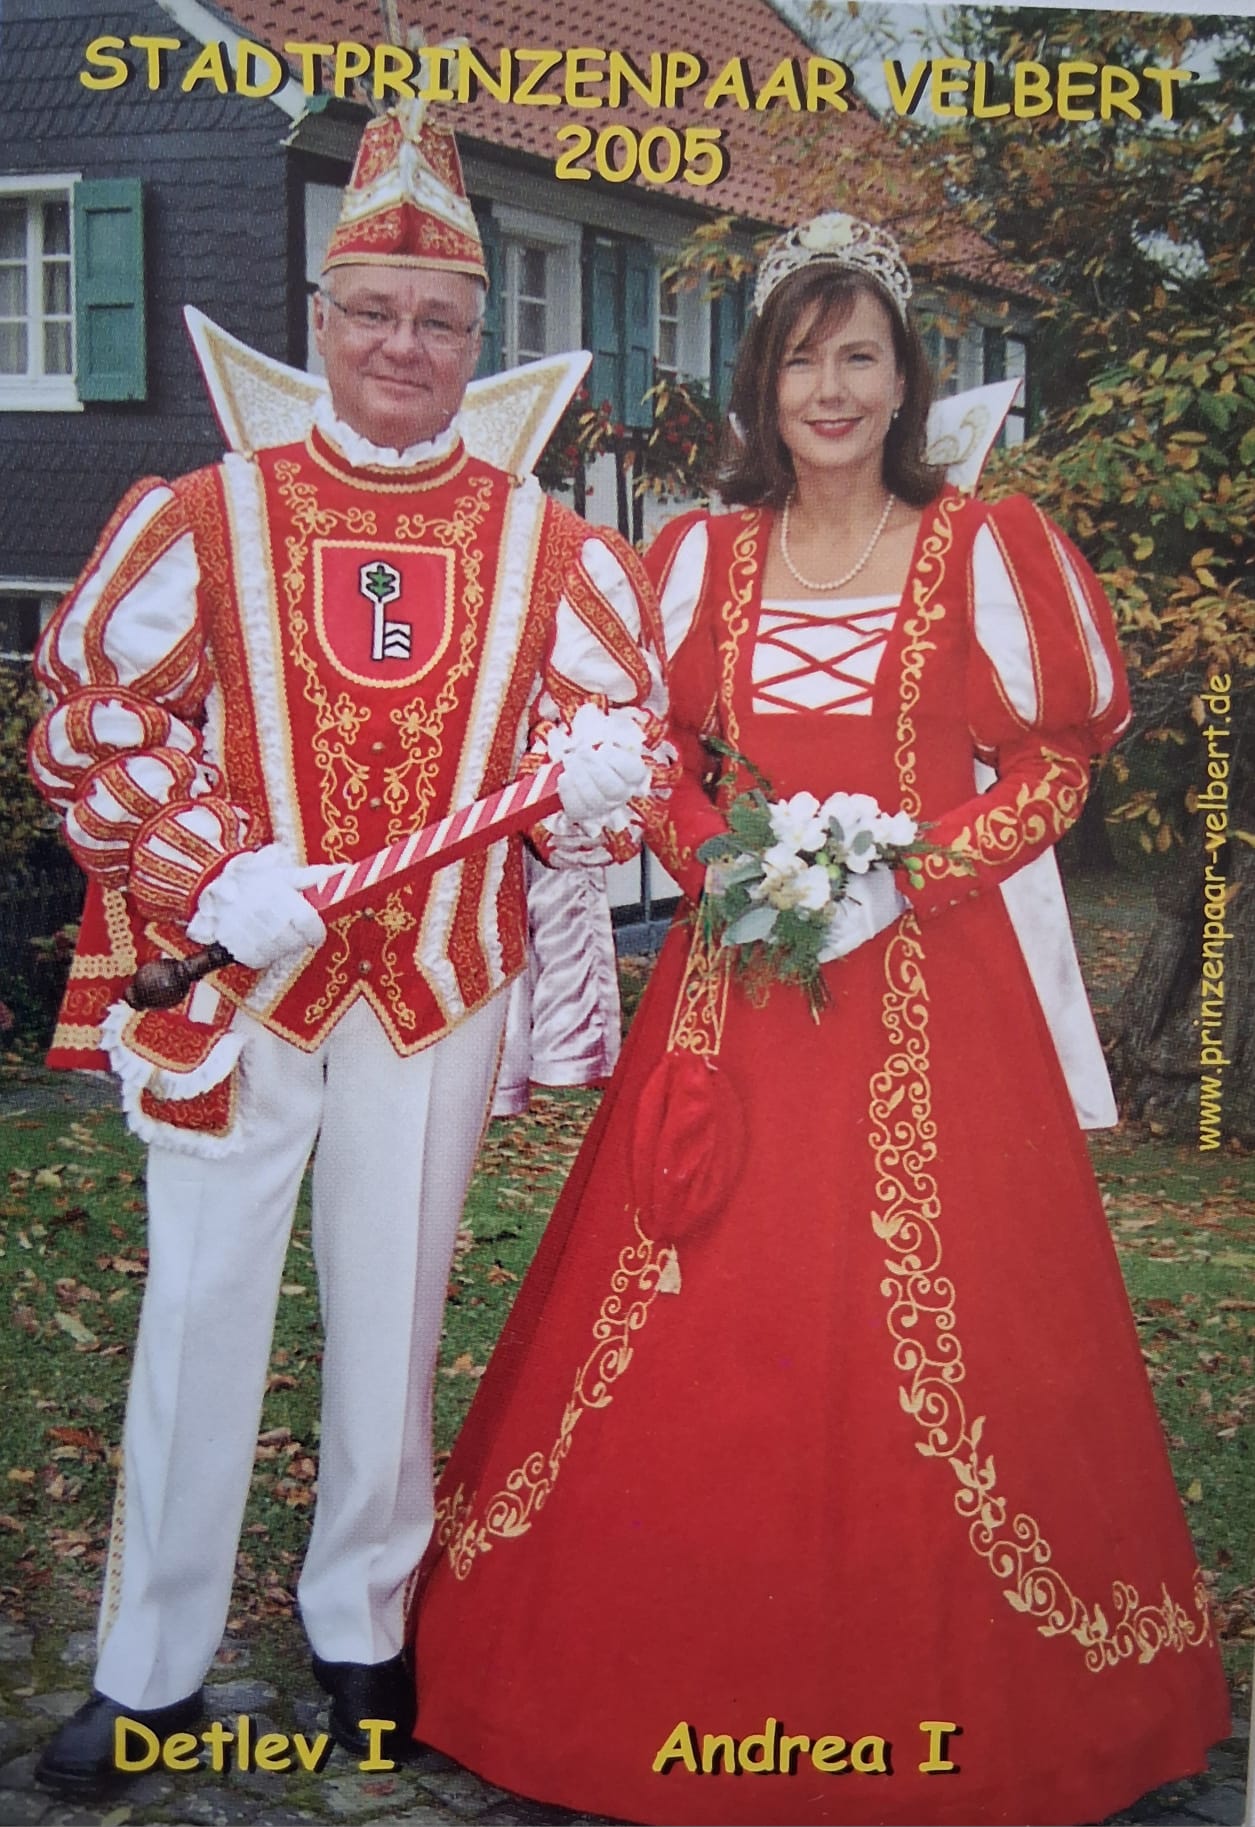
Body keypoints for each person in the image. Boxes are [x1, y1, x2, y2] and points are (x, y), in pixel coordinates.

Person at [406, 212, 1231, 1826]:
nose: (832, 388)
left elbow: (1057, 762)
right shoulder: (698, 559)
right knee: (698, 1296)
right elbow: (650, 752)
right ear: (762, 383)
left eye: (861, 356)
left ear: (907, 377)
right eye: (802, 358)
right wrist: (726, 869)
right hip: (738, 986)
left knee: (949, 1312)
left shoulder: (985, 546)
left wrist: (908, 875)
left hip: (935, 992)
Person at [27, 99, 669, 1798]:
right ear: (320, 322)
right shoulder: (205, 514)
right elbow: (88, 714)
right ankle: (153, 1670)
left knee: (392, 1325)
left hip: (435, 986)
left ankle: (363, 1628)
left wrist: (598, 789)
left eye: (440, 320)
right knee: (200, 1316)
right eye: (374, 310)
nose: (404, 344)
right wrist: (211, 865)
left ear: (477, 343)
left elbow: (609, 765)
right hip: (238, 989)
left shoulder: (554, 551)